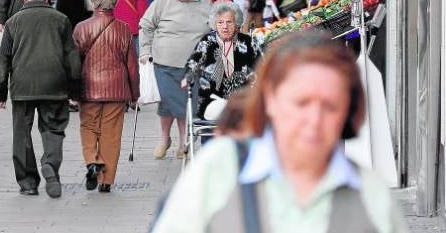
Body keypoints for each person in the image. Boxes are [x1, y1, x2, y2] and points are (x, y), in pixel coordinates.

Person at [152, 31, 409, 233]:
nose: (314, 119)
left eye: (330, 106)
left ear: (349, 111)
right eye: (301, 102)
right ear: (271, 100)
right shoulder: (220, 169)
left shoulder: (370, 195)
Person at [0, 0, 81, 198]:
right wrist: (74, 90)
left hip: (22, 86)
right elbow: (72, 57)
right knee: (53, 129)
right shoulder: (61, 20)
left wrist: (0, 91)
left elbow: (3, 60)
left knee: (21, 133)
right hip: (54, 84)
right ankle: (50, 164)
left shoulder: (13, 22)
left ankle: (28, 183)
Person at [73, 0, 139, 193]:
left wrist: (72, 91)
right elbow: (132, 66)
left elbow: (75, 62)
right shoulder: (124, 29)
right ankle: (106, 181)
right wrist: (135, 93)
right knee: (111, 133)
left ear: (92, 1)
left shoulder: (81, 28)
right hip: (117, 89)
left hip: (89, 88)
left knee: (89, 126)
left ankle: (92, 161)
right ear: (116, 2)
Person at [139, 0, 211, 159]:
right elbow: (146, 25)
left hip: (195, 66)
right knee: (172, 101)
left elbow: (213, 30)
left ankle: (181, 142)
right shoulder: (163, 0)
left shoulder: (205, 2)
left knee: (183, 103)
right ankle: (168, 139)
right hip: (165, 63)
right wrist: (145, 50)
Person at [183, 1, 257, 119]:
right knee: (223, 110)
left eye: (229, 22)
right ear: (215, 24)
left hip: (243, 100)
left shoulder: (248, 42)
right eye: (220, 22)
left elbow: (261, 64)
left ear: (237, 23)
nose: (225, 26)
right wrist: (188, 76)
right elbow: (194, 60)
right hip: (212, 100)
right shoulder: (207, 41)